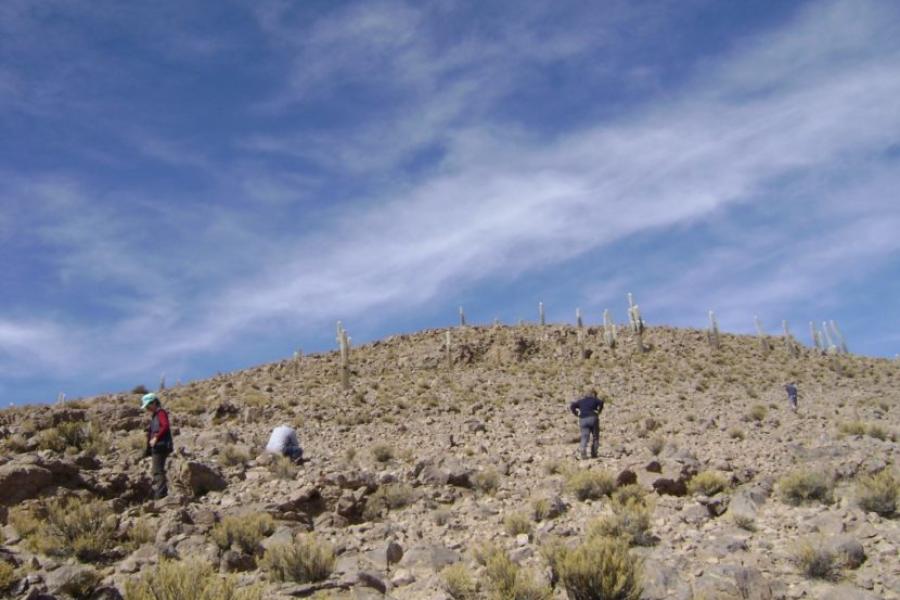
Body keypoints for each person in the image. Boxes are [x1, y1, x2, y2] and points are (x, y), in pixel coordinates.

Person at [142, 393, 173, 499]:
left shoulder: (161, 413)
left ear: (154, 402)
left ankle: (161, 495)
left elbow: (165, 426)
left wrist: (156, 437)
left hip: (161, 446)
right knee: (158, 470)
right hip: (158, 446)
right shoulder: (155, 415)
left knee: (157, 471)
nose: (147, 408)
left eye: (148, 405)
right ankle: (161, 493)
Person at [570, 388, 604, 459]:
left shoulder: (581, 401)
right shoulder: (594, 400)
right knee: (595, 436)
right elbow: (601, 402)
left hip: (583, 419)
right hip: (592, 418)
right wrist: (599, 411)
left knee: (584, 436)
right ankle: (594, 453)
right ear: (593, 394)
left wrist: (576, 413)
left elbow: (572, 406)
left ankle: (583, 450)